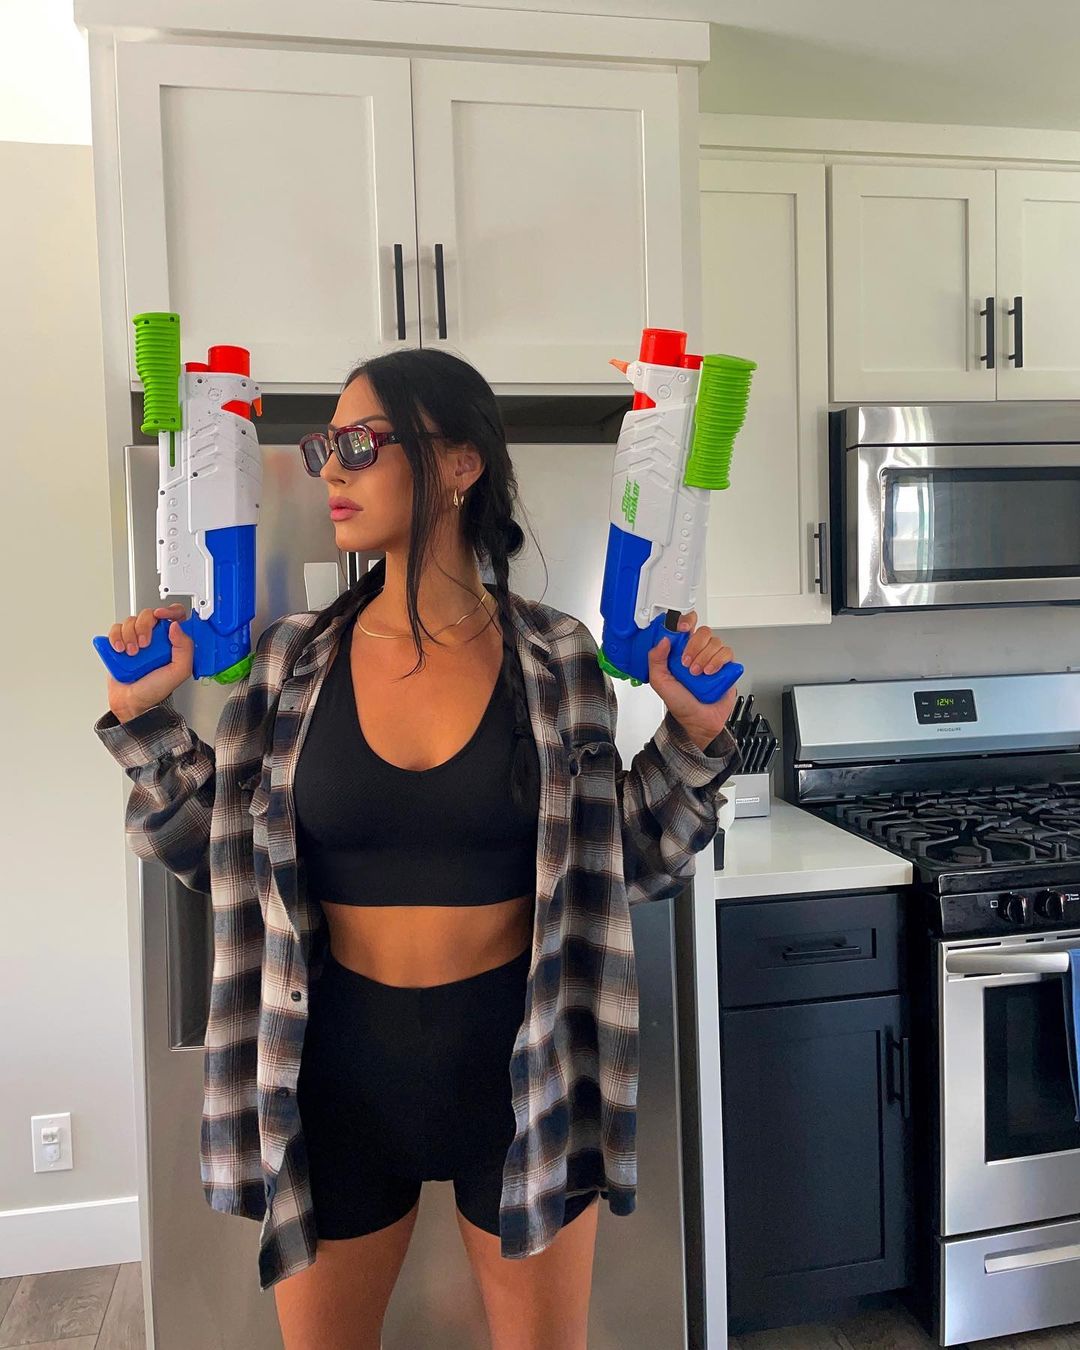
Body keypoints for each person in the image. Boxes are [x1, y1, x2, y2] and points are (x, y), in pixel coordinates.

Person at [95, 346, 741, 1350]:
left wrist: (696, 736)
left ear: (460, 462)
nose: (333, 470)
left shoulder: (557, 656)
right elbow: (224, 863)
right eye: (326, 448)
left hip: (525, 1070)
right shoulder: (290, 660)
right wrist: (142, 718)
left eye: (361, 444)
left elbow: (627, 864)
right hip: (330, 1074)